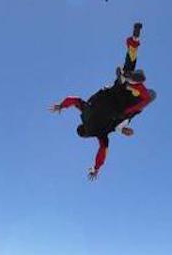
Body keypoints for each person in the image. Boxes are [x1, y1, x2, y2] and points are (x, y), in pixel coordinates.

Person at [50, 23, 156, 180]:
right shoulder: (84, 111)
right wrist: (61, 105)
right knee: (129, 68)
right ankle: (134, 42)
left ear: (86, 135)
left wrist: (96, 168)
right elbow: (73, 100)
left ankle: (133, 83)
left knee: (147, 98)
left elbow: (102, 152)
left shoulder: (100, 135)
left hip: (121, 108)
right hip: (112, 92)